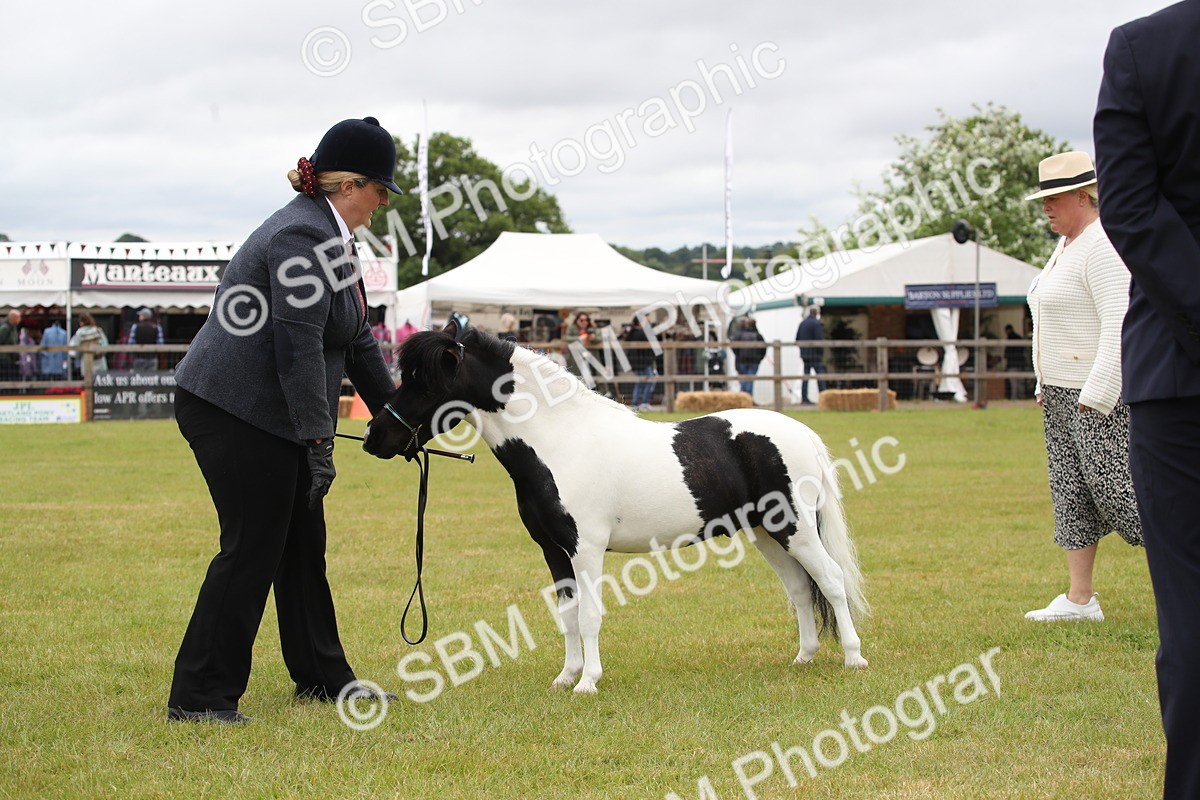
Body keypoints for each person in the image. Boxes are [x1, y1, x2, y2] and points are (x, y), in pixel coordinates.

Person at [167, 116, 403, 725]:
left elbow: (356, 341)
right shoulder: (300, 237)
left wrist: (397, 413)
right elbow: (296, 348)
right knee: (253, 546)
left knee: (302, 547)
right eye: (381, 191)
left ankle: (323, 677)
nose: (382, 205)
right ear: (351, 185)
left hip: (272, 412)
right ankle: (199, 697)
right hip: (232, 408)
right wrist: (319, 439)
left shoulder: (333, 239)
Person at [1095, 4, 1200, 795]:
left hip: (1179, 365)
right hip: (1176, 379)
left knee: (1192, 619)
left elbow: (1132, 210)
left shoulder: (1142, 49)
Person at [1022, 151, 1142, 624]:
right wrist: (1043, 382)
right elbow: (1053, 322)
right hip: (1060, 395)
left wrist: (1096, 396)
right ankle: (1080, 599)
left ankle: (1184, 577)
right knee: (1070, 492)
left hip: (1097, 398)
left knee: (1121, 495)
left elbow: (1119, 324)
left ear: (1080, 196)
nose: (1046, 207)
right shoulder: (1067, 245)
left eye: (1053, 198)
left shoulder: (1103, 245)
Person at [623, 319, 656, 410]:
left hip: (636, 363)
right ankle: (644, 402)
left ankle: (636, 403)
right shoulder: (641, 333)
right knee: (649, 381)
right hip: (643, 362)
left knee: (640, 382)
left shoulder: (632, 333)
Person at [795, 306, 826, 404]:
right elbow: (819, 339)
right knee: (820, 376)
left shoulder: (802, 323)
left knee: (806, 376)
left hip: (805, 354)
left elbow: (797, 339)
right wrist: (821, 351)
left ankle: (804, 398)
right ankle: (823, 396)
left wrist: (802, 350)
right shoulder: (816, 324)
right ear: (816, 313)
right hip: (815, 354)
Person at [732, 316, 766, 397]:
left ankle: (743, 397)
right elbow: (763, 349)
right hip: (754, 361)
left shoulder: (739, 335)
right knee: (750, 380)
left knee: (744, 380)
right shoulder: (758, 335)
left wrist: (738, 355)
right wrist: (759, 358)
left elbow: (734, 347)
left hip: (742, 361)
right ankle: (748, 397)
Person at [1003, 324, 1028, 400]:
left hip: (1012, 364)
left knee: (1014, 384)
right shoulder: (1019, 338)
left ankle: (1014, 398)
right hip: (1020, 364)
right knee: (1021, 383)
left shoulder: (1009, 339)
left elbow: (1006, 354)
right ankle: (1022, 398)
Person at [0, 309, 21, 383]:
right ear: (13, 318)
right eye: (18, 317)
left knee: (10, 377)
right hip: (4, 358)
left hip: (11, 357)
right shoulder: (5, 328)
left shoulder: (13, 328)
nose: (20, 320)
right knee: (6, 377)